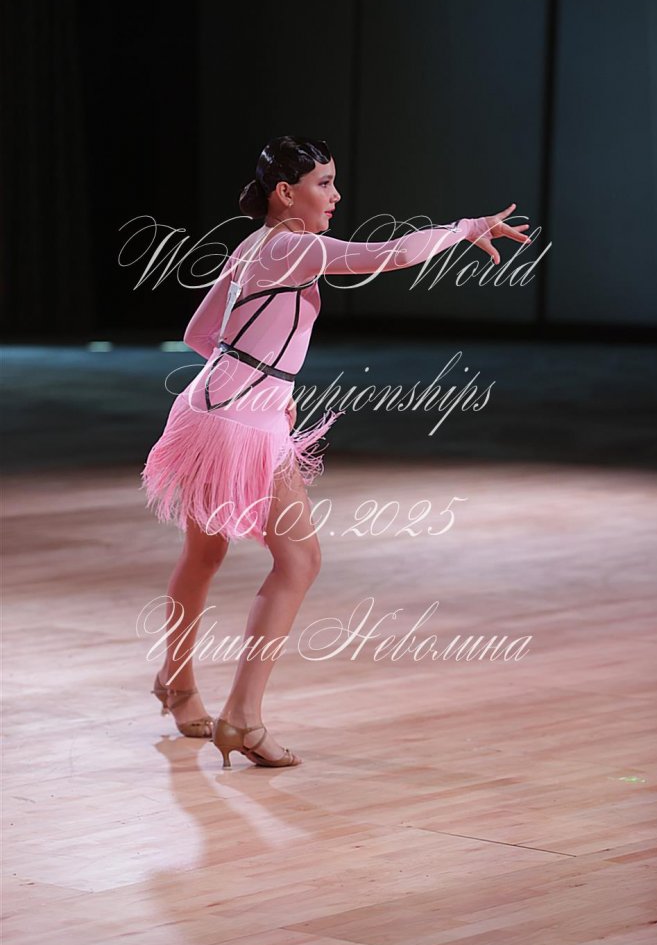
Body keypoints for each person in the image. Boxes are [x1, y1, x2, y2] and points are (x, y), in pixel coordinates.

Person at [141, 135, 532, 768]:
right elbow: (390, 254)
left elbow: (200, 333)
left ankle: (178, 683)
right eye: (323, 183)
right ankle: (241, 718)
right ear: (284, 192)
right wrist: (466, 228)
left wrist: (264, 383)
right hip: (239, 424)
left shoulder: (253, 245)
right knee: (298, 560)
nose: (336, 195)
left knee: (205, 553)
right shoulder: (294, 247)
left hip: (208, 409)